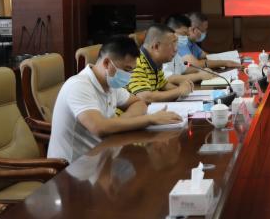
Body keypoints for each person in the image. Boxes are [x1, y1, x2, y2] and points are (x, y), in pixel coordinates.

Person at [48, 35, 182, 162]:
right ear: (107, 63)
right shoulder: (79, 86)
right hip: (73, 168)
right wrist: (150, 119)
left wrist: (117, 123)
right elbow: (99, 127)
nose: (129, 75)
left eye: (132, 70)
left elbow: (139, 103)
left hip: (103, 156)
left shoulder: (110, 83)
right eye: (127, 69)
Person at [127, 24, 195, 102]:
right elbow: (145, 97)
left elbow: (163, 85)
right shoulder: (136, 63)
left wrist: (184, 87)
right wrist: (179, 91)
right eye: (172, 44)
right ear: (156, 46)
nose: (176, 49)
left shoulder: (155, 62)